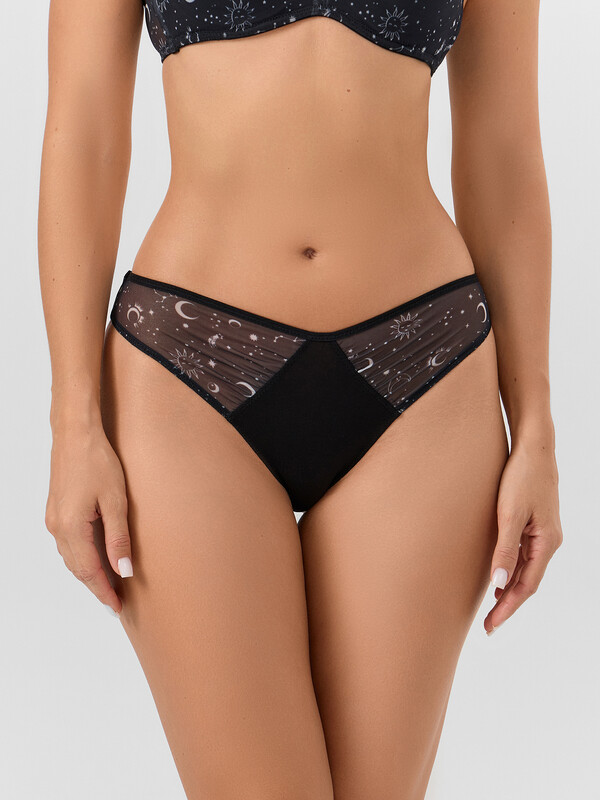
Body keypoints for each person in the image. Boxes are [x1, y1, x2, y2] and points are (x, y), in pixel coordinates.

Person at [38, 0, 563, 797]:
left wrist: (536, 428)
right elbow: (83, 131)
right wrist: (72, 422)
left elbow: (504, 148)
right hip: (188, 368)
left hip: (425, 368)